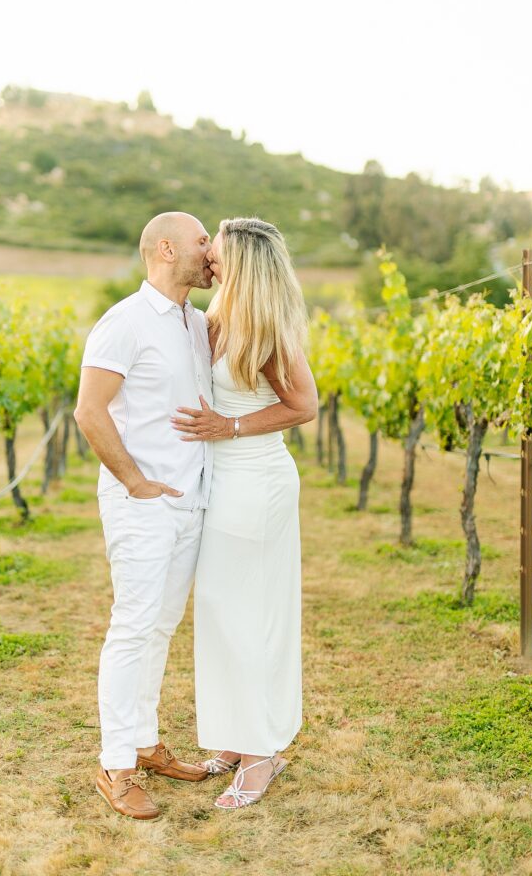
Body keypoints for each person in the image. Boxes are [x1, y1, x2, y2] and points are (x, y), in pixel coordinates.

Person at [170, 217, 318, 810]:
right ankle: (236, 735)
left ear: (243, 264)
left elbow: (304, 404)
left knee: (250, 613)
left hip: (257, 482)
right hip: (222, 482)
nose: (208, 257)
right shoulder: (215, 320)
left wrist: (229, 426)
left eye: (217, 250)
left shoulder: (267, 329)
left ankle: (262, 755)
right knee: (220, 609)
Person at [73, 211, 215, 821]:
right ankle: (115, 765)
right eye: (202, 241)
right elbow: (89, 411)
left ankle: (146, 742)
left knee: (159, 629)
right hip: (143, 503)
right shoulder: (124, 322)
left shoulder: (198, 322)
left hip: (190, 502)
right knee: (132, 627)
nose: (211, 252)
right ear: (165, 249)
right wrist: (134, 481)